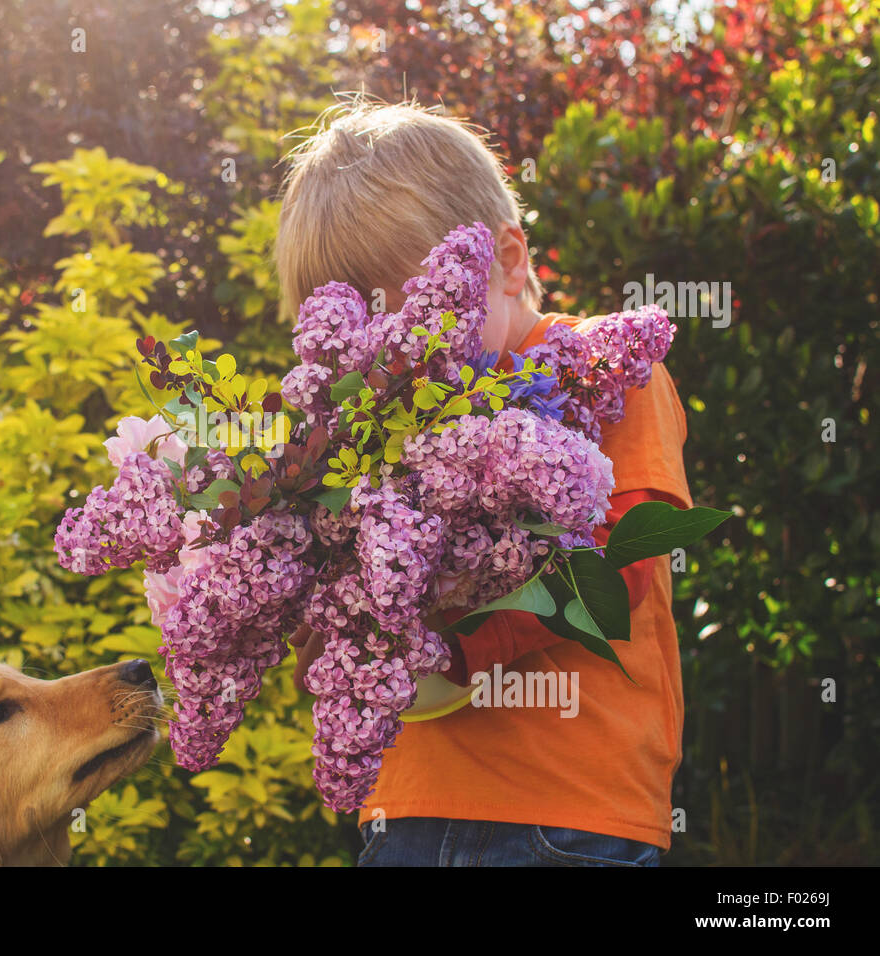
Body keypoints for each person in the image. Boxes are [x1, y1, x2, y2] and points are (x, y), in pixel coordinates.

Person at [276, 98, 692, 866]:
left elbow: (620, 564)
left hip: (566, 810)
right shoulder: (372, 428)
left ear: (506, 261)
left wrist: (452, 642)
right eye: (372, 348)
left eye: (423, 327)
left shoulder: (605, 367)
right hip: (410, 804)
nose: (400, 366)